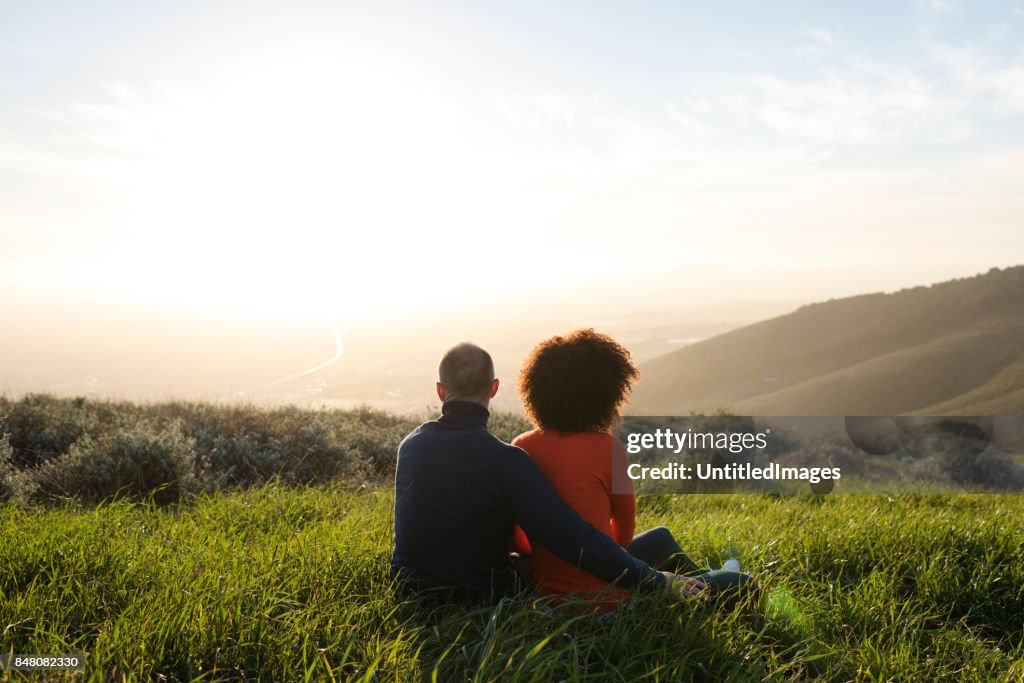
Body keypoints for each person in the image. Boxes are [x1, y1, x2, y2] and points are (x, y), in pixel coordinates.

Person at [390, 342, 705, 604]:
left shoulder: (410, 447)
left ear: (441, 391)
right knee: (731, 580)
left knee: (657, 542)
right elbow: (573, 539)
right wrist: (657, 581)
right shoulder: (506, 460)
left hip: (411, 595)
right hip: (483, 598)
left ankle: (700, 582)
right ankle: (711, 587)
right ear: (494, 388)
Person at [513, 329, 756, 610]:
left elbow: (517, 537)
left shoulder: (521, 446)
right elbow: (624, 533)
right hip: (610, 598)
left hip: (550, 593)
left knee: (660, 537)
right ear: (606, 394)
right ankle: (716, 581)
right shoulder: (608, 448)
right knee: (742, 584)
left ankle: (700, 579)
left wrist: (551, 554)